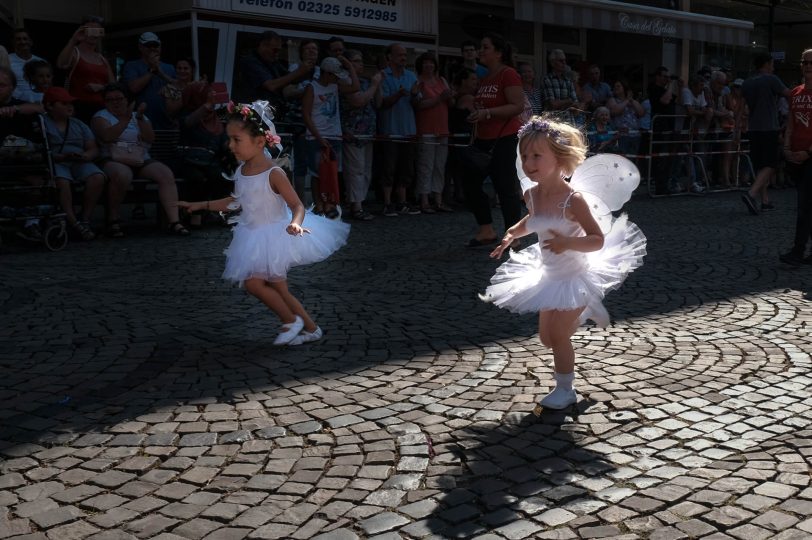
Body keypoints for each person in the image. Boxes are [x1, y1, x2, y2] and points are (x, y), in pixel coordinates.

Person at [480, 116, 646, 409]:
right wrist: (511, 234)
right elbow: (533, 220)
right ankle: (582, 313)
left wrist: (568, 242)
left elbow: (596, 239)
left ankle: (566, 389)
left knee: (558, 336)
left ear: (558, 159)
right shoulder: (532, 194)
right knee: (546, 337)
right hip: (549, 276)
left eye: (536, 156)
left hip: (576, 276)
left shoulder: (573, 200)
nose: (528, 163)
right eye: (524, 156)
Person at [178, 101, 350, 345]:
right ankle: (310, 328)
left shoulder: (274, 173)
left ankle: (292, 322)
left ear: (260, 142)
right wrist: (201, 205)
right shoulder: (241, 172)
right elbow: (236, 202)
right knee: (276, 288)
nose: (230, 145)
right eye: (229, 139)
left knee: (257, 284)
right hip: (253, 236)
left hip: (275, 235)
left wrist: (296, 223)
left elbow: (297, 205)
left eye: (237, 140)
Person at [91, 83, 188, 237]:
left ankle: (174, 221)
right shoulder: (101, 117)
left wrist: (140, 118)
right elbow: (107, 136)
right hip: (113, 158)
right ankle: (113, 219)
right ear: (105, 102)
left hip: (139, 158)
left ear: (126, 99)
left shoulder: (139, 116)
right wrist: (125, 119)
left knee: (165, 174)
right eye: (110, 100)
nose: (116, 102)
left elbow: (150, 139)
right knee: (123, 175)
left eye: (119, 99)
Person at [462, 32, 524, 247]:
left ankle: (513, 237)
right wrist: (477, 113)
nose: (480, 51)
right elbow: (486, 106)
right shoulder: (485, 77)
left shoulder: (508, 74)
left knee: (505, 187)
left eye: (485, 47)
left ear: (498, 53)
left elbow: (517, 106)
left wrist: (488, 113)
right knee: (469, 184)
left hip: (504, 138)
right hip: (483, 139)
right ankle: (486, 230)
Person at [42, 86, 105, 241]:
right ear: (50, 106)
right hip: (56, 161)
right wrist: (60, 157)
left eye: (70, 103)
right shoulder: (42, 124)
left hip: (78, 161)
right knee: (62, 181)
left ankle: (85, 218)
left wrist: (85, 156)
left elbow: (93, 148)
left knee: (97, 177)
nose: (69, 106)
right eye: (63, 103)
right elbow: (40, 150)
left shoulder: (79, 124)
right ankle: (73, 221)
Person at [301, 56, 357, 218]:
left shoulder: (335, 86)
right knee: (317, 172)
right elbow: (306, 114)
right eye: (334, 75)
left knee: (332, 172)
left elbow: (355, 87)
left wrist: (349, 66)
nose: (336, 79)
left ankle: (329, 203)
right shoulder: (312, 88)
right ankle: (318, 204)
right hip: (316, 135)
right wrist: (318, 136)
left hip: (334, 135)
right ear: (326, 73)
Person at [741, 52, 791, 214]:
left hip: (753, 128)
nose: (773, 67)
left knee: (761, 165)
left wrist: (737, 129)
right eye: (772, 64)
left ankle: (765, 201)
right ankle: (751, 194)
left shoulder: (747, 82)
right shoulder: (771, 79)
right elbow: (789, 95)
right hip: (769, 127)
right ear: (767, 64)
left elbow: (739, 109)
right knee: (771, 165)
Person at [378, 43, 420, 216]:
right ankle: (387, 202)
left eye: (405, 55)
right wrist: (399, 94)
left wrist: (415, 94)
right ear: (390, 57)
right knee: (388, 167)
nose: (403, 58)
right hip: (389, 129)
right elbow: (381, 103)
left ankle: (402, 201)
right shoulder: (382, 76)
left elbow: (417, 104)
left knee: (406, 167)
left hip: (408, 129)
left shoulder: (411, 76)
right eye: (399, 55)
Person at [779, 49, 812, 266]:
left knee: (805, 205)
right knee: (808, 205)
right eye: (805, 62)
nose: (808, 66)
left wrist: (808, 152)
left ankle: (797, 251)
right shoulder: (796, 93)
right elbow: (791, 122)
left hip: (810, 156)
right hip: (795, 157)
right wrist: (787, 147)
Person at [341, 49, 382, 221]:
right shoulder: (346, 81)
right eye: (356, 61)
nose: (361, 64)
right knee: (355, 170)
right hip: (352, 132)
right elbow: (357, 101)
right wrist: (374, 86)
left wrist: (377, 86)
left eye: (361, 61)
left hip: (367, 133)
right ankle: (355, 206)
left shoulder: (365, 81)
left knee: (365, 170)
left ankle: (360, 202)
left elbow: (378, 103)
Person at [414, 51, 453, 213]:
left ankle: (438, 198)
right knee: (426, 165)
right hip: (426, 128)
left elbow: (450, 102)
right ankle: (424, 199)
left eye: (431, 62)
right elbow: (418, 105)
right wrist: (439, 99)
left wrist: (449, 96)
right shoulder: (417, 82)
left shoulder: (441, 80)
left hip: (442, 128)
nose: (429, 65)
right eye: (426, 62)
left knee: (439, 166)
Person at [56, 16, 115, 123]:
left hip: (101, 108)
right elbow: (61, 64)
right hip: (78, 107)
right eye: (90, 30)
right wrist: (74, 39)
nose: (93, 33)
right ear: (83, 31)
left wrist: (101, 87)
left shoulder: (102, 58)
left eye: (97, 30)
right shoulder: (75, 52)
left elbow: (113, 86)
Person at [121, 32, 177, 130]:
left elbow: (178, 90)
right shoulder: (131, 66)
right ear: (140, 47)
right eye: (148, 45)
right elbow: (134, 88)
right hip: (140, 123)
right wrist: (152, 69)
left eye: (155, 45)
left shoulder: (170, 68)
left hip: (167, 123)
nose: (152, 48)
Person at [607, 78, 644, 157]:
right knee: (622, 161)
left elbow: (641, 113)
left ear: (624, 88)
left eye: (618, 86)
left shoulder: (632, 101)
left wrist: (632, 101)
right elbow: (615, 111)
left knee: (633, 161)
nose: (615, 88)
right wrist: (627, 100)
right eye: (614, 86)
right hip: (621, 136)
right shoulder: (612, 100)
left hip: (635, 135)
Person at [543, 49, 578, 124]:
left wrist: (561, 104)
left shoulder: (568, 80)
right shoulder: (547, 79)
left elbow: (576, 106)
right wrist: (568, 101)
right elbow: (552, 105)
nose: (564, 63)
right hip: (554, 123)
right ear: (552, 63)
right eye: (561, 61)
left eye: (565, 60)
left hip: (570, 122)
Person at [8, 28, 44, 101]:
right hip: (15, 101)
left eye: (25, 39)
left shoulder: (41, 61)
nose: (22, 42)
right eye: (18, 39)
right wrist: (21, 97)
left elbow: (47, 84)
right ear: (13, 42)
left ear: (31, 42)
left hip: (40, 100)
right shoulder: (7, 59)